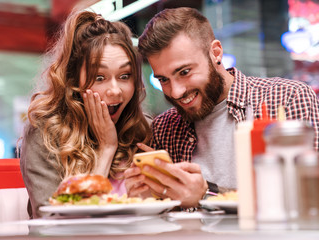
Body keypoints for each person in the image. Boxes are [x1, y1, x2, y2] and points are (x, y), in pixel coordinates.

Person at [124, 7, 319, 209]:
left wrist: (205, 194)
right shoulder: (164, 128)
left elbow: (310, 197)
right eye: (163, 79)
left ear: (215, 52)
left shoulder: (286, 99)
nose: (175, 92)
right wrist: (148, 200)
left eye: (184, 72)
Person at [20, 8, 151, 218]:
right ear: (74, 82)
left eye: (125, 76)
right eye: (100, 77)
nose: (115, 90)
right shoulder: (45, 133)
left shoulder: (144, 129)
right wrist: (107, 148)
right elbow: (52, 222)